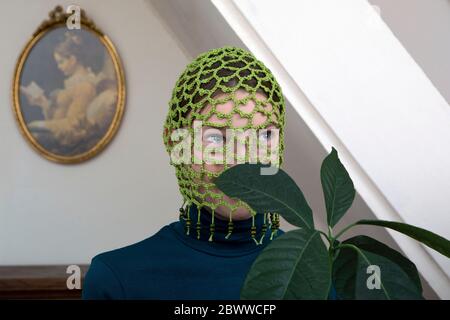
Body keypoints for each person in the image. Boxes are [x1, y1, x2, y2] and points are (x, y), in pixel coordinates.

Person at [82, 46, 287, 299]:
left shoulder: (321, 270)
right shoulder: (117, 279)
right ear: (176, 142)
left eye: (264, 136)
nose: (243, 161)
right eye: (216, 138)